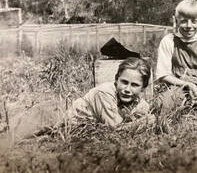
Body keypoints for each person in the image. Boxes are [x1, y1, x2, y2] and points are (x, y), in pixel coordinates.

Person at [2, 57, 153, 147]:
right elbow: (115, 129)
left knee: (30, 141)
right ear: (116, 80)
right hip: (53, 114)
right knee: (8, 140)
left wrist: (146, 118)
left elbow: (143, 112)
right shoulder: (105, 93)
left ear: (143, 88)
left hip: (64, 127)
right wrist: (144, 122)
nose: (127, 89)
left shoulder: (141, 103)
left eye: (134, 85)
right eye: (124, 82)